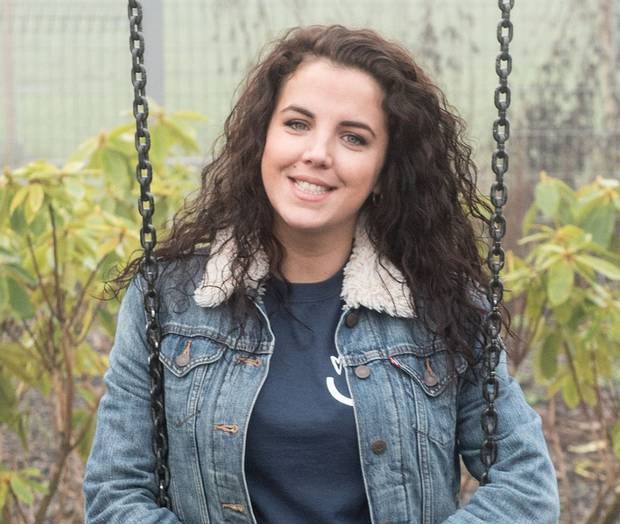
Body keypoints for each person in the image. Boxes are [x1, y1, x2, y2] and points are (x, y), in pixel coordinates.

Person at [84, 25, 560, 523]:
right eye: (297, 124)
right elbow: (116, 495)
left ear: (385, 170)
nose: (317, 153)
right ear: (262, 140)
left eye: (353, 137)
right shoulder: (171, 299)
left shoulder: (442, 305)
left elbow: (524, 488)